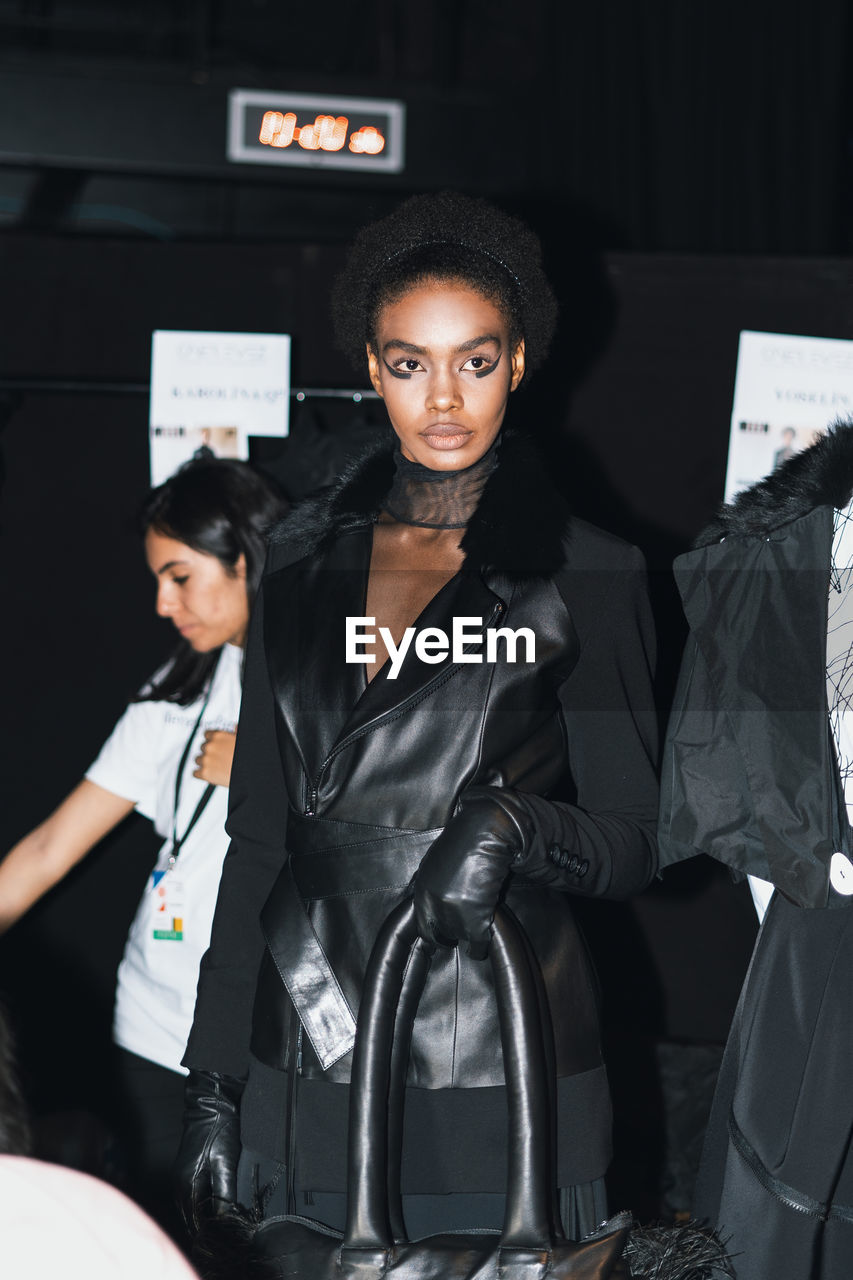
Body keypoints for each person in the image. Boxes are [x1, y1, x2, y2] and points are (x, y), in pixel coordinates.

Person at [177, 191, 659, 1248]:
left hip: (493, 1048)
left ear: (519, 363)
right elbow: (257, 835)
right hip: (303, 1039)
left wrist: (515, 827)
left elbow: (637, 838)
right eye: (409, 363)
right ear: (370, 362)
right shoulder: (295, 558)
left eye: (474, 362)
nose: (442, 398)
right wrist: (213, 1075)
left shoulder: (592, 570)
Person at [0, 456, 285, 1226]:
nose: (162, 603)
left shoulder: (341, 675)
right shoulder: (178, 686)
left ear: (247, 560)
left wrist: (265, 768)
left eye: (180, 577)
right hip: (154, 1024)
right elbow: (50, 847)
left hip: (275, 1045)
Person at [658, 420, 853, 1277]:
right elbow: (727, 788)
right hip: (816, 940)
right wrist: (800, 864)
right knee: (780, 1212)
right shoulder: (784, 550)